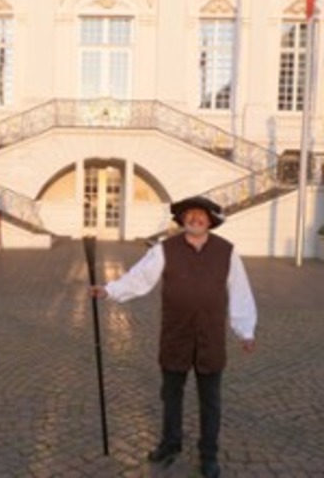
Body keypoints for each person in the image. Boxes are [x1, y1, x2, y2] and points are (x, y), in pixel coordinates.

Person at [90, 196, 257, 478]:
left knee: (211, 401)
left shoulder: (227, 252)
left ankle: (209, 454)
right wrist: (109, 290)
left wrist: (246, 330)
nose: (195, 219)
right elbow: (139, 278)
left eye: (201, 215)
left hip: (210, 339)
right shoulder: (165, 250)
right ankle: (170, 443)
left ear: (210, 220)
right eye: (189, 215)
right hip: (176, 335)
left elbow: (240, 291)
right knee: (171, 395)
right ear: (182, 220)